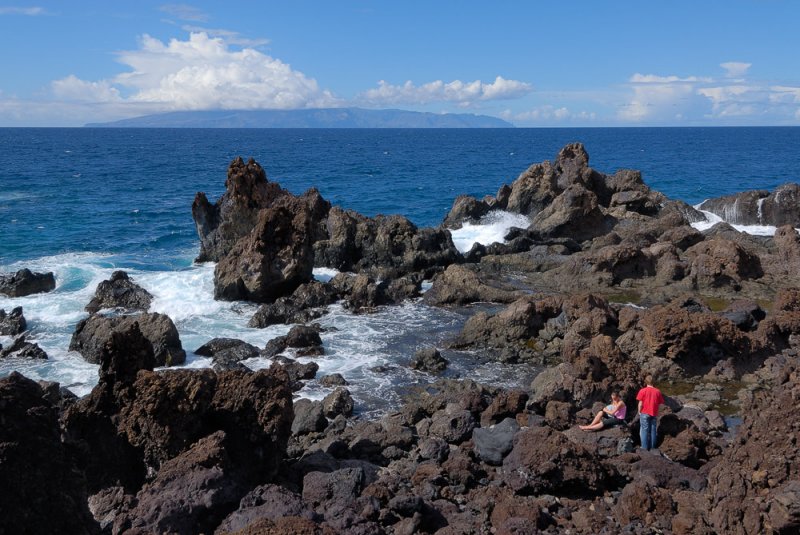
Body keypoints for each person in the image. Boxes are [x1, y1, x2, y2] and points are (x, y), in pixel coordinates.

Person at [636, 374, 665, 450]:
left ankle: (644, 447)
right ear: (653, 382)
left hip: (645, 412)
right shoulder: (657, 391)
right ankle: (652, 447)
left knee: (644, 430)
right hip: (654, 413)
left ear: (646, 382)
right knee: (653, 430)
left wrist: (639, 411)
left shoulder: (642, 391)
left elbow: (640, 403)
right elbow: (660, 403)